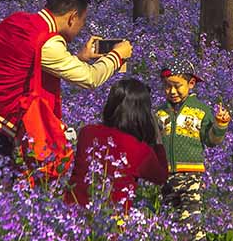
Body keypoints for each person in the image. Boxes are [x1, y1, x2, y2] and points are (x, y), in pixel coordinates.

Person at [0, 0, 133, 179]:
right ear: (72, 17)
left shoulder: (16, 20)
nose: (82, 26)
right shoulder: (47, 41)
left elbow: (25, 63)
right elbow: (90, 78)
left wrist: (78, 58)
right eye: (83, 20)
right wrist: (117, 56)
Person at [64, 79, 168, 210]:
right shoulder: (140, 150)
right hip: (112, 219)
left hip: (71, 211)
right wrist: (158, 139)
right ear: (142, 113)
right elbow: (161, 177)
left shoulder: (87, 132)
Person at [156, 63, 230, 238]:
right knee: (170, 222)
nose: (172, 92)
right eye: (167, 86)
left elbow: (211, 140)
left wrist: (220, 125)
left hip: (191, 176)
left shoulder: (200, 110)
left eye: (177, 86)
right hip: (165, 176)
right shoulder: (160, 113)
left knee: (191, 220)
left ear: (191, 84)